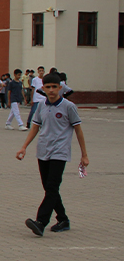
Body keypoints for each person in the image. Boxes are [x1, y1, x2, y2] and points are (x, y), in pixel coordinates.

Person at [16, 73, 88, 236]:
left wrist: (84, 155)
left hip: (60, 152)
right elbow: (35, 127)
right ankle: (63, 219)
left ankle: (41, 222)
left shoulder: (69, 106)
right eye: (48, 87)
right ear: (43, 88)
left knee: (52, 187)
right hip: (43, 151)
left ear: (60, 88)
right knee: (49, 188)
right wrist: (24, 147)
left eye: (54, 87)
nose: (51, 90)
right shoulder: (41, 106)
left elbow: (78, 130)